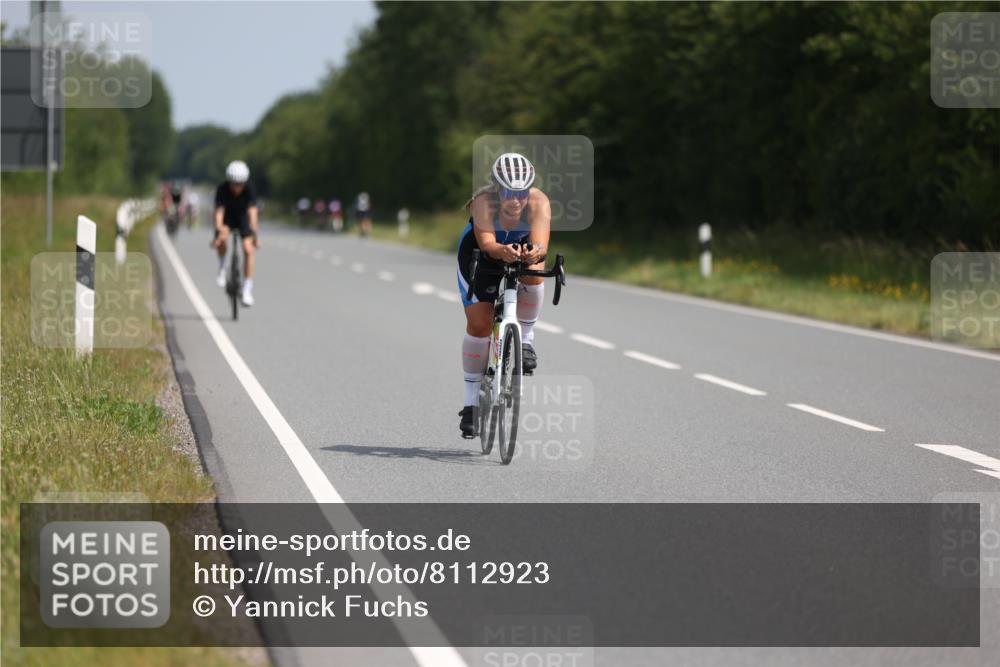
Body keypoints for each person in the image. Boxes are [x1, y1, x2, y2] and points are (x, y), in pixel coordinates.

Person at [455, 153, 551, 437]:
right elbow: (487, 244)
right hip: (480, 254)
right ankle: (471, 403)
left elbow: (542, 244)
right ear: (498, 188)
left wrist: (534, 252)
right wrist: (501, 251)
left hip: (518, 248)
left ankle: (526, 340)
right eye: (509, 192)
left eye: (521, 192)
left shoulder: (539, 202)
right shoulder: (484, 202)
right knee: (480, 325)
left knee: (534, 270)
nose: (515, 200)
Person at [212, 160, 260, 306]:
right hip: (227, 217)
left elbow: (253, 213)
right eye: (234, 183)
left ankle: (247, 289)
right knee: (222, 238)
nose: (236, 187)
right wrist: (219, 230)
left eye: (240, 184)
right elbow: (219, 212)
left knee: (248, 249)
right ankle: (222, 266)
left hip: (242, 218)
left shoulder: (250, 189)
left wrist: (254, 234)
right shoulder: (222, 189)